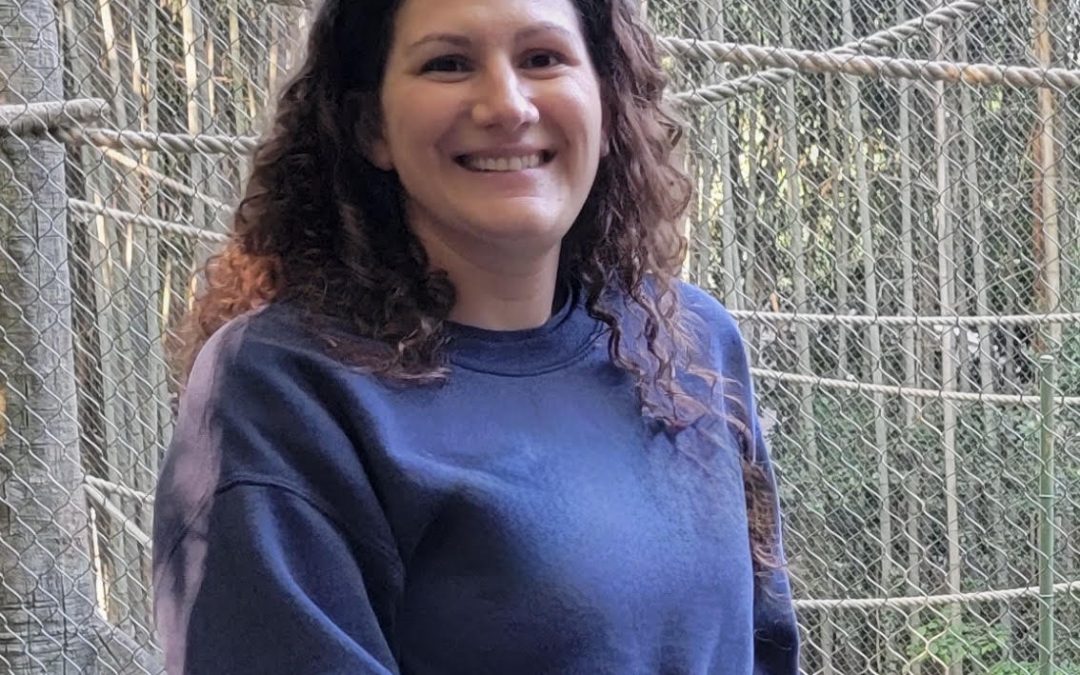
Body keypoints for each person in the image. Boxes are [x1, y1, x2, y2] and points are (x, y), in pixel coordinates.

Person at [151, 0, 800, 671]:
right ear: (371, 125)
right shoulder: (286, 390)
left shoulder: (690, 343)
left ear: (606, 103)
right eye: (448, 64)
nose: (507, 105)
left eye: (542, 58)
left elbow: (765, 647)